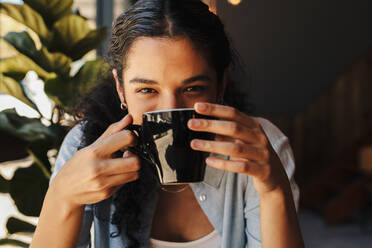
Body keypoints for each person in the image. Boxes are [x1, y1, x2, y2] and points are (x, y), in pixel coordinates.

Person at [31, 0, 304, 247]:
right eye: (147, 90)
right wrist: (61, 197)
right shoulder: (87, 146)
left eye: (193, 88)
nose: (170, 109)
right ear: (121, 89)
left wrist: (274, 191)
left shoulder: (258, 148)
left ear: (221, 84)